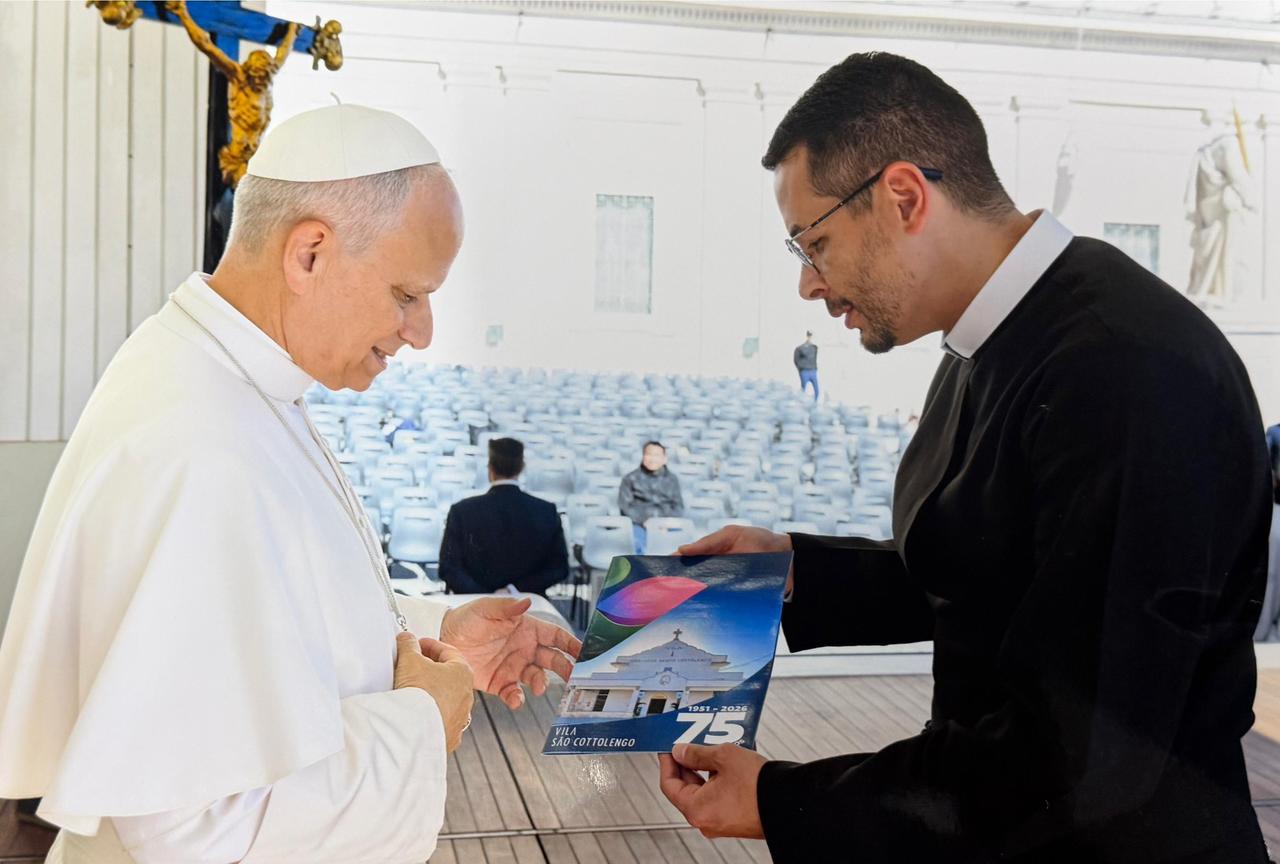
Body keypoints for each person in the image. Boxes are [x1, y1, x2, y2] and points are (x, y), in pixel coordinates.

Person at [658, 52, 1271, 864]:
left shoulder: (1123, 366)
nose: (811, 285)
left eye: (815, 243)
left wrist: (783, 798)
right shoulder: (988, 340)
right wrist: (799, 569)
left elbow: (1077, 759)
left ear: (904, 196)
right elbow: (997, 578)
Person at [0, 104, 580, 863]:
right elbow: (194, 826)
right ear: (309, 254)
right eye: (407, 294)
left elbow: (273, 603)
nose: (422, 332)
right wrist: (418, 720)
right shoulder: (198, 439)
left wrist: (436, 636)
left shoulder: (229, 379)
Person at [439, 438, 570, 596]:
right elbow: (558, 569)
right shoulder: (546, 511)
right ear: (521, 467)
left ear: (490, 468)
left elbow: (448, 568)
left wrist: (486, 596)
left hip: (474, 606)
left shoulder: (461, 511)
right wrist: (513, 590)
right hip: (528, 606)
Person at [619, 441, 684, 554]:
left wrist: (664, 524)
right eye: (648, 454)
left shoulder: (672, 479)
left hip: (666, 524)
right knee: (638, 545)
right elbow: (625, 507)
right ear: (643, 456)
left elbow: (678, 506)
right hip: (639, 525)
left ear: (664, 459)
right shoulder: (630, 478)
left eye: (657, 455)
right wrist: (644, 522)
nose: (652, 459)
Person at [793, 330, 819, 401]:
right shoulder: (800, 348)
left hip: (813, 370)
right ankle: (802, 404)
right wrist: (801, 369)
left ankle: (815, 405)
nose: (809, 337)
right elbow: (796, 360)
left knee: (816, 390)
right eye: (808, 335)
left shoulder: (814, 347)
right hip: (805, 371)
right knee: (803, 389)